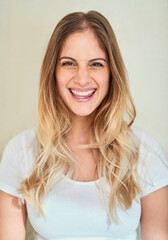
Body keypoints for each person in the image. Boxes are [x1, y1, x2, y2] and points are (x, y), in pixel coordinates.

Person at [0, 10, 168, 240]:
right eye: (69, 63)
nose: (82, 78)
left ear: (112, 74)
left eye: (96, 64)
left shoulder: (146, 154)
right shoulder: (20, 152)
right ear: (53, 72)